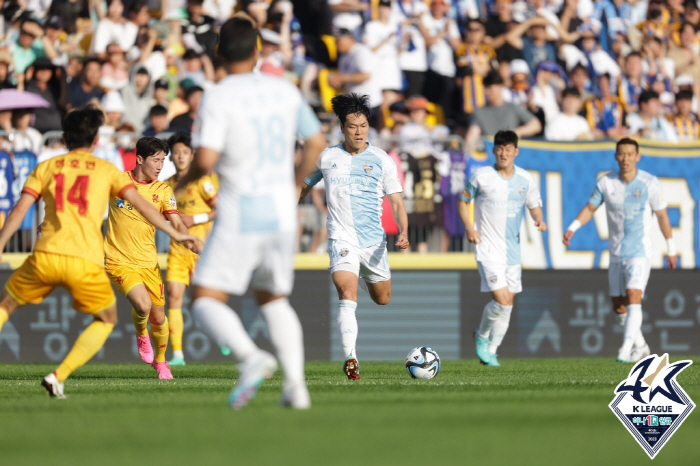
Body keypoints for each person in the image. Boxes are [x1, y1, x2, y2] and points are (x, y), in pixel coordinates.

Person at [176, 14, 326, 409]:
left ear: (219, 53)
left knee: (206, 297)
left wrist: (182, 181)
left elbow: (205, 159)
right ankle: (297, 388)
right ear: (258, 50)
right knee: (273, 297)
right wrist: (295, 183)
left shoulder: (219, 94)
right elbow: (315, 141)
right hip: (281, 214)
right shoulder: (285, 90)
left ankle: (251, 357)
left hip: (242, 210)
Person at [0, 106, 196, 398]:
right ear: (95, 141)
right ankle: (60, 375)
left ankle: (160, 358)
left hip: (49, 255)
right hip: (94, 259)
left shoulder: (47, 167)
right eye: (156, 160)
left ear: (65, 137)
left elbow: (21, 209)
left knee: (5, 306)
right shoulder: (109, 172)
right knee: (114, 316)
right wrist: (177, 233)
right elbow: (143, 207)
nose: (160, 166)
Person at [299, 93, 409, 380]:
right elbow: (302, 188)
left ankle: (362, 275)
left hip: (373, 243)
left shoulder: (382, 160)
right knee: (346, 294)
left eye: (363, 125)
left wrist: (404, 232)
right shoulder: (327, 157)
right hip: (341, 239)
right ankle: (351, 358)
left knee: (382, 298)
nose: (358, 131)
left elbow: (397, 203)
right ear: (341, 127)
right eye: (352, 126)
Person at [563, 137, 678, 363]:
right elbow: (590, 207)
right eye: (621, 154)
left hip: (640, 251)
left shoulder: (649, 183)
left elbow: (663, 216)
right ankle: (642, 347)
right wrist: (572, 228)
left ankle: (625, 350)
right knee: (618, 305)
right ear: (616, 156)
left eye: (629, 154)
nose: (625, 158)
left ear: (638, 156)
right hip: (616, 253)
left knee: (634, 294)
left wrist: (671, 248)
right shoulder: (606, 183)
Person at [103, 137, 194, 380]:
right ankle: (141, 333)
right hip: (118, 260)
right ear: (140, 158)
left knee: (159, 317)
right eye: (155, 160)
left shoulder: (163, 190)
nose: (160, 166)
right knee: (142, 305)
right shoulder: (118, 181)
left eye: (163, 161)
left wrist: (189, 239)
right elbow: (87, 204)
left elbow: (176, 222)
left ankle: (162, 363)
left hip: (149, 264)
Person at [457, 130, 546, 367]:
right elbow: (463, 201)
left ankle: (492, 351)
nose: (503, 153)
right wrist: (469, 227)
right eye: (499, 148)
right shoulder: (481, 176)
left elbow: (534, 205)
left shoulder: (525, 179)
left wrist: (539, 219)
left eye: (508, 149)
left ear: (516, 151)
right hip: (487, 249)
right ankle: (482, 336)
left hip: (513, 252)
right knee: (502, 300)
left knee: (508, 305)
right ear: (493, 151)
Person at [163, 132, 218, 366]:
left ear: (192, 155)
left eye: (185, 152)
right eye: (176, 153)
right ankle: (177, 355)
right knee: (174, 296)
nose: (181, 157)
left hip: (202, 249)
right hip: (177, 250)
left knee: (206, 301)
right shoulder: (167, 186)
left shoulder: (203, 180)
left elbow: (221, 208)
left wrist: (194, 219)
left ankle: (222, 336)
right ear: (171, 157)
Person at [465, 71, 541, 153]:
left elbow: (536, 125)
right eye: (485, 88)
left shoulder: (512, 107)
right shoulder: (479, 112)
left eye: (490, 88)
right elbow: (472, 136)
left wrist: (517, 132)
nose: (487, 92)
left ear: (500, 86)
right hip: (490, 153)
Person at [329, 28, 384, 128]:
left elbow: (366, 75)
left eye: (339, 40)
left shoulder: (361, 51)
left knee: (368, 137)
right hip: (354, 104)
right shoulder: (343, 57)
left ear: (350, 38)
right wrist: (336, 82)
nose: (336, 44)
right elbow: (346, 81)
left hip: (369, 102)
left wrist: (342, 78)